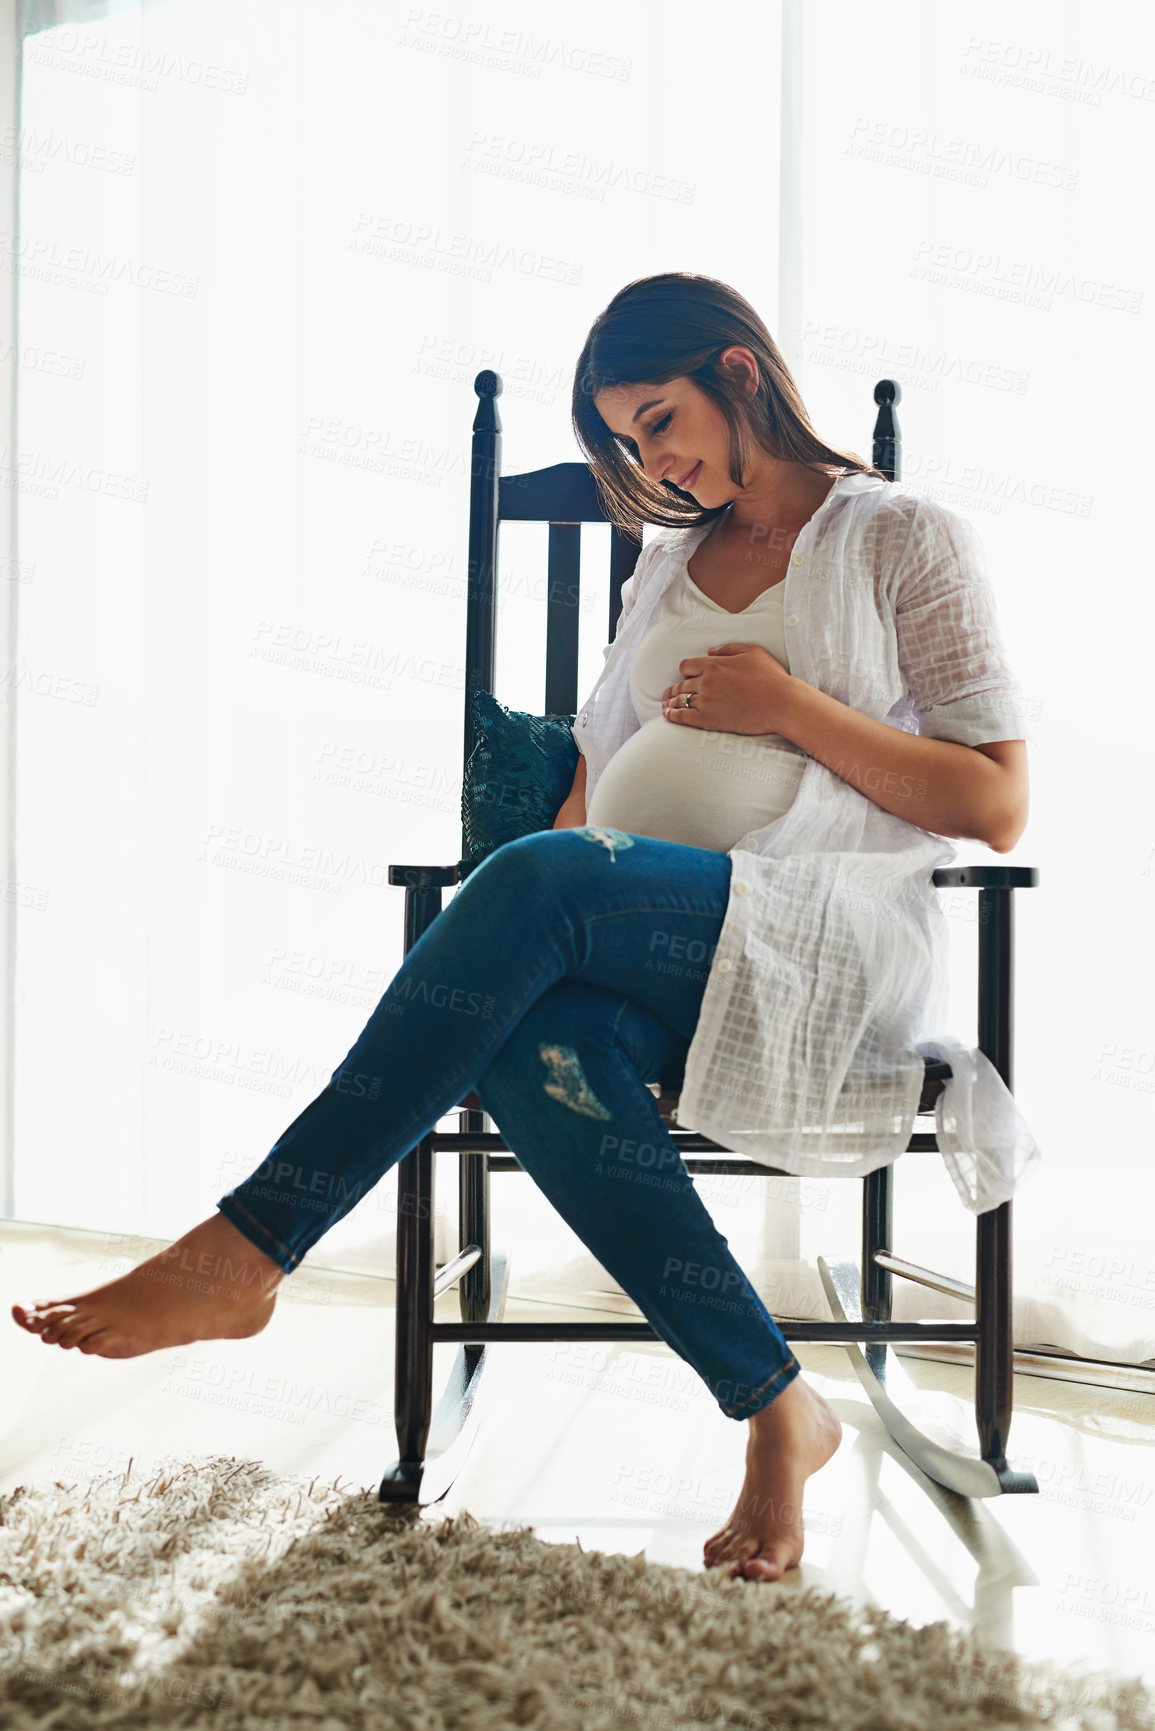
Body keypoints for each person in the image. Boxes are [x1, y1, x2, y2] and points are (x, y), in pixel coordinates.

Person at [11, 273, 1031, 1584]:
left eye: (660, 422)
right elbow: (595, 786)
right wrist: (529, 903)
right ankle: (781, 1405)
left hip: (824, 941)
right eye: (625, 442)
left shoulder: (903, 535)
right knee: (531, 1044)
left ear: (738, 372)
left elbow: (996, 801)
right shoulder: (665, 570)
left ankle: (251, 1243)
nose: (650, 464)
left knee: (546, 887)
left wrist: (788, 708)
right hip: (655, 945)